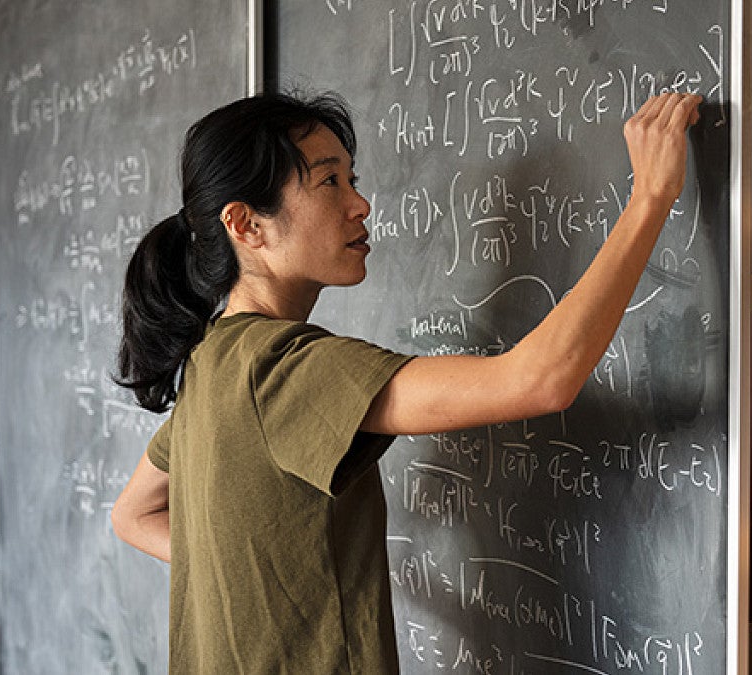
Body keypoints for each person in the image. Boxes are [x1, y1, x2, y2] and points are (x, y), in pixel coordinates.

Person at [110, 89, 701, 673]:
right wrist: (650, 196)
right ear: (246, 225)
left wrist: (254, 573)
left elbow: (132, 515)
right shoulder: (282, 369)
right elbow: (540, 380)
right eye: (329, 182)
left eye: (352, 179)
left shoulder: (212, 364)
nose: (360, 204)